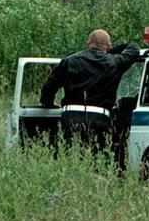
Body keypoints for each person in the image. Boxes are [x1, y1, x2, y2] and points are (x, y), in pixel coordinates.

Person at [40, 29, 141, 158]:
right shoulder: (114, 62)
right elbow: (134, 49)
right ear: (108, 46)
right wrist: (112, 49)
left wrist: (48, 103)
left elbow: (49, 87)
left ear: (88, 44)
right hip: (99, 120)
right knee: (98, 157)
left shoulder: (69, 61)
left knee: (70, 156)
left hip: (71, 118)